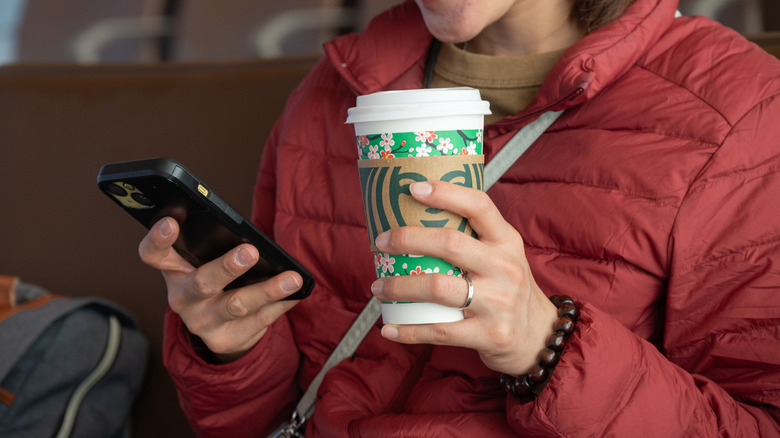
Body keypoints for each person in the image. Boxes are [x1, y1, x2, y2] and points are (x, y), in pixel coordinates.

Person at [139, 0, 780, 436]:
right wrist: (231, 349)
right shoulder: (332, 89)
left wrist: (545, 343)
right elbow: (262, 419)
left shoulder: (740, 114)